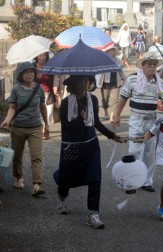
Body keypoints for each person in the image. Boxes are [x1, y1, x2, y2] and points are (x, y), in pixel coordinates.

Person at [53, 75, 124, 229]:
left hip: (90, 145)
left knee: (95, 179)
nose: (87, 84)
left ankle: (93, 214)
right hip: (71, 146)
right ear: (74, 84)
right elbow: (66, 125)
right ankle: (61, 197)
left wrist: (111, 135)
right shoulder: (66, 103)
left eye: (88, 81)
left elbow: (95, 122)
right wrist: (79, 117)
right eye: (83, 81)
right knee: (67, 177)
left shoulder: (92, 100)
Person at [112, 52, 163, 192]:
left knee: (150, 152)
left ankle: (147, 181)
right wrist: (117, 115)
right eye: (149, 64)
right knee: (134, 151)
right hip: (136, 119)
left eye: (154, 64)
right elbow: (123, 98)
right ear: (143, 66)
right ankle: (131, 181)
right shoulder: (132, 79)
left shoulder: (160, 82)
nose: (152, 67)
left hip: (153, 121)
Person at [1, 62, 48, 196]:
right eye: (26, 71)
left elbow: (43, 107)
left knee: (36, 156)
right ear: (21, 74)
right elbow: (12, 108)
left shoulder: (39, 89)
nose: (29, 74)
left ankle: (36, 185)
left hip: (35, 127)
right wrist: (7, 120)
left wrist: (47, 124)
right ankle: (19, 177)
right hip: (18, 127)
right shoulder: (16, 89)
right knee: (17, 156)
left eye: (31, 71)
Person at [95, 45, 125, 122]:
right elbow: (99, 71)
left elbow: (120, 71)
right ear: (106, 52)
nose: (111, 51)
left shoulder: (117, 60)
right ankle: (106, 112)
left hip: (115, 82)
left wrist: (124, 78)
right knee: (105, 101)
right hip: (105, 83)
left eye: (112, 50)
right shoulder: (102, 60)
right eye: (109, 50)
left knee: (115, 100)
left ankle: (112, 116)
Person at [34, 52, 56, 140]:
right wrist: (35, 77)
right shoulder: (33, 68)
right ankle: (41, 129)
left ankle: (46, 129)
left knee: (49, 113)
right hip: (36, 94)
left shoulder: (49, 67)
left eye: (44, 55)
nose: (42, 57)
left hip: (49, 93)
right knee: (39, 114)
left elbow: (55, 80)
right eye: (40, 55)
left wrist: (58, 93)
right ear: (37, 56)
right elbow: (27, 79)